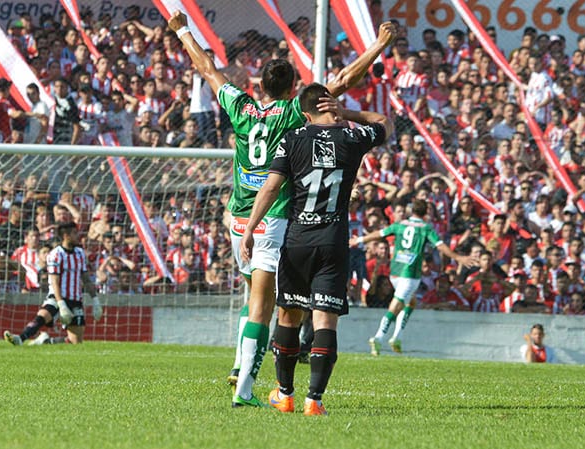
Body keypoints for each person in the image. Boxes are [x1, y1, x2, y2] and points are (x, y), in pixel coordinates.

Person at [166, 10, 397, 407]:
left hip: (239, 216)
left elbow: (206, 68)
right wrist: (377, 46)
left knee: (250, 297)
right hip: (274, 219)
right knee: (266, 306)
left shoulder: (240, 107)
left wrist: (183, 30)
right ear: (294, 88)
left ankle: (242, 366)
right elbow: (339, 84)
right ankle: (247, 386)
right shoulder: (292, 114)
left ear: (258, 86)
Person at [240, 83, 392, 416]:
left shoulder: (292, 138)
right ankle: (315, 401)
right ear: (331, 107)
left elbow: (270, 187)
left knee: (288, 315)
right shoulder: (351, 138)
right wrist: (346, 113)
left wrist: (250, 228)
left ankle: (285, 394)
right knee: (325, 320)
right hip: (333, 240)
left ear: (305, 113)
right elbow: (384, 120)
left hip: (298, 239)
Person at [351, 199, 476, 355]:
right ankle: (379, 337)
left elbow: (379, 234)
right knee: (397, 304)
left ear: (411, 211)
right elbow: (441, 246)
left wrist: (359, 240)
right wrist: (458, 258)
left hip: (395, 270)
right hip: (410, 273)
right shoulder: (425, 228)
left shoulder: (400, 224)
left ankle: (397, 337)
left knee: (411, 302)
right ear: (426, 213)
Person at [3, 222, 102, 345]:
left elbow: (86, 278)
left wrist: (95, 300)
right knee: (43, 316)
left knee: (76, 342)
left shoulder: (79, 253)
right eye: (74, 233)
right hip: (57, 296)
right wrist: (61, 304)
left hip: (75, 299)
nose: (78, 236)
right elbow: (54, 281)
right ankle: (20, 338)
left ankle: (45, 341)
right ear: (66, 236)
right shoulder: (55, 254)